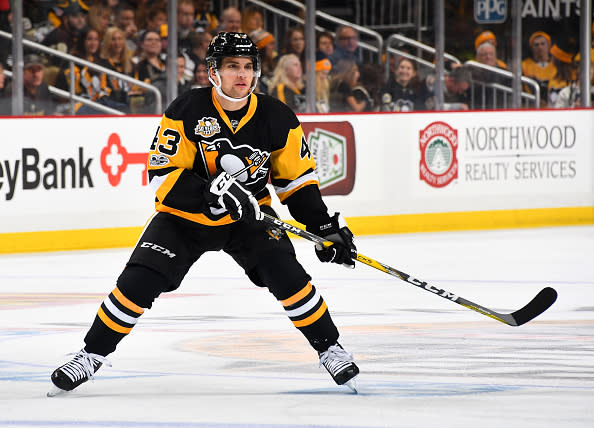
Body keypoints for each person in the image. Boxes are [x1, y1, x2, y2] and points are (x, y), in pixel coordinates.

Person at [47, 31, 359, 396]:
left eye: (247, 67)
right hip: (185, 219)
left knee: (289, 277)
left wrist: (323, 226)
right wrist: (207, 194)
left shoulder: (278, 117)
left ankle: (330, 348)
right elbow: (162, 174)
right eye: (231, 67)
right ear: (213, 71)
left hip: (249, 219)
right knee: (138, 283)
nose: (241, 75)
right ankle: (90, 355)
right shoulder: (188, 109)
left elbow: (296, 182)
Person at [522, 31, 556, 108]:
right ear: (531, 48)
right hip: (532, 106)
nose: (540, 47)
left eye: (543, 44)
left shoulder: (557, 64)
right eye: (536, 45)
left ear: (549, 46)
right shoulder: (524, 65)